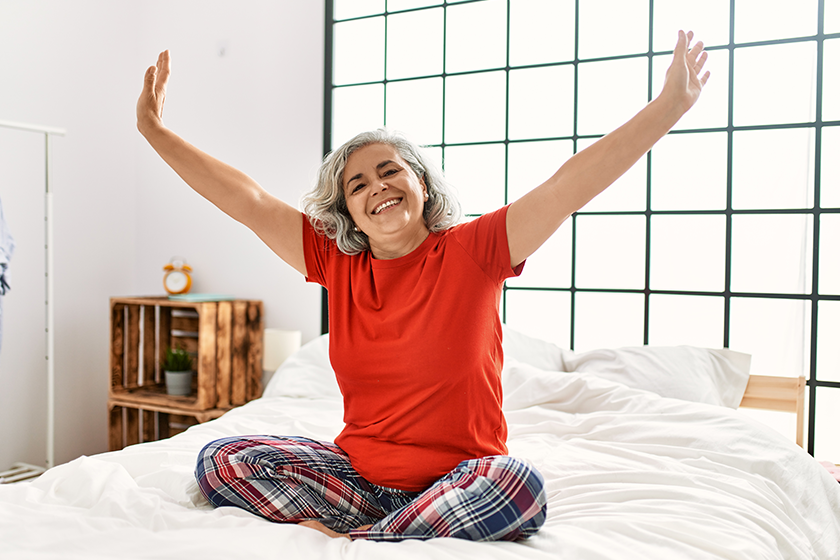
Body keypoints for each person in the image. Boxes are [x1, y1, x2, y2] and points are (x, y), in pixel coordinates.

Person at [136, 30, 709, 542]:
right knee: (221, 459)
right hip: (359, 480)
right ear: (348, 212)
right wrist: (155, 132)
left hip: (462, 480)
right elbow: (249, 199)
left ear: (422, 185)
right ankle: (398, 528)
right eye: (358, 184)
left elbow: (566, 188)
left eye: (391, 171)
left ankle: (368, 539)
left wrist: (668, 107)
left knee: (520, 487)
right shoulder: (335, 262)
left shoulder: (475, 250)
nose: (377, 187)